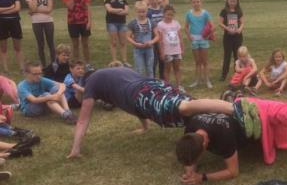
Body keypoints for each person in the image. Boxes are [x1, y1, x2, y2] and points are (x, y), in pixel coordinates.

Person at [66, 67, 260, 158]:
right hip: (152, 85)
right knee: (189, 108)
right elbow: (131, 100)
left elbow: (83, 120)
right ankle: (228, 116)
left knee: (182, 108)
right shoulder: (112, 72)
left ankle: (235, 107)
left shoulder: (91, 83)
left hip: (143, 95)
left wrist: (75, 149)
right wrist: (144, 126)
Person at [177, 112, 248, 184]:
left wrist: (202, 177)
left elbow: (233, 172)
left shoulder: (224, 135)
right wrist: (190, 171)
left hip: (247, 128)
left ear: (204, 144)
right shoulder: (190, 127)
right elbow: (189, 153)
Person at [59, 0, 92, 68]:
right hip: (72, 21)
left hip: (84, 20)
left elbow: (88, 6)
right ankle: (77, 64)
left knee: (85, 43)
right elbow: (70, 6)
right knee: (75, 44)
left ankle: (88, 63)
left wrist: (89, 21)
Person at [25, 0, 55, 67]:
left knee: (50, 42)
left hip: (48, 21)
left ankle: (54, 63)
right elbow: (32, 8)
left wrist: (33, 12)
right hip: (36, 22)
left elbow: (49, 10)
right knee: (40, 43)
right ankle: (43, 64)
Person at [185, 0, 213, 88]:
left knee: (205, 62)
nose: (196, 3)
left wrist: (208, 35)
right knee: (197, 62)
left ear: (201, 2)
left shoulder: (205, 13)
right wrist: (189, 36)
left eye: (198, 1)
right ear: (191, 3)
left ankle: (207, 80)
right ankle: (197, 80)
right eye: (194, 2)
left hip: (203, 40)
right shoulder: (189, 14)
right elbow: (186, 27)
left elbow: (211, 26)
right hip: (194, 40)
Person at [127, 1, 159, 78]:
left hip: (149, 49)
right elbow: (128, 36)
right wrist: (135, 43)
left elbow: (157, 36)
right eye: (139, 12)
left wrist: (152, 42)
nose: (141, 14)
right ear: (136, 11)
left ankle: (151, 86)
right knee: (139, 69)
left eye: (143, 12)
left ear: (147, 11)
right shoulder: (132, 23)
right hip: (138, 50)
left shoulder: (152, 22)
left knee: (150, 69)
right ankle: (140, 86)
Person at [0, 0, 24, 75]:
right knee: (3, 48)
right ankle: (6, 69)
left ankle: (22, 68)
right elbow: (14, 8)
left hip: (14, 22)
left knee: (17, 47)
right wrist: (10, 8)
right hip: (1, 23)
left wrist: (3, 11)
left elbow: (18, 8)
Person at [219, 0, 244, 81]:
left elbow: (242, 23)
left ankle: (237, 74)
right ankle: (223, 75)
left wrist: (240, 29)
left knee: (238, 56)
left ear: (237, 2)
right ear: (227, 1)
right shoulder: (224, 11)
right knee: (227, 56)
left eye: (234, 1)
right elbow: (220, 23)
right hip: (228, 37)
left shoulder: (239, 11)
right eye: (231, 1)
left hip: (237, 37)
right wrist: (227, 28)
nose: (232, 3)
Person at [103, 0, 130, 66]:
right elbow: (109, 10)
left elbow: (127, 11)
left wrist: (116, 11)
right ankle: (114, 61)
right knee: (113, 42)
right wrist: (120, 10)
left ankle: (125, 61)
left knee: (123, 42)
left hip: (122, 23)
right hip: (111, 23)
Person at [156, 5, 183, 88]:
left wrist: (182, 48)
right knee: (167, 69)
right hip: (167, 51)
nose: (169, 16)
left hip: (176, 50)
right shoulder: (160, 25)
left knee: (177, 68)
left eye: (171, 15)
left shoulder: (176, 23)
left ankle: (178, 85)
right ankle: (168, 86)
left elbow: (180, 36)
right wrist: (161, 52)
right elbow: (160, 40)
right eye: (168, 14)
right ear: (164, 14)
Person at [146, 0, 165, 79]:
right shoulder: (148, 12)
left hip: (163, 38)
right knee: (154, 59)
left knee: (163, 59)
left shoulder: (162, 10)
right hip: (153, 38)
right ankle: (152, 78)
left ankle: (163, 78)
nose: (154, 1)